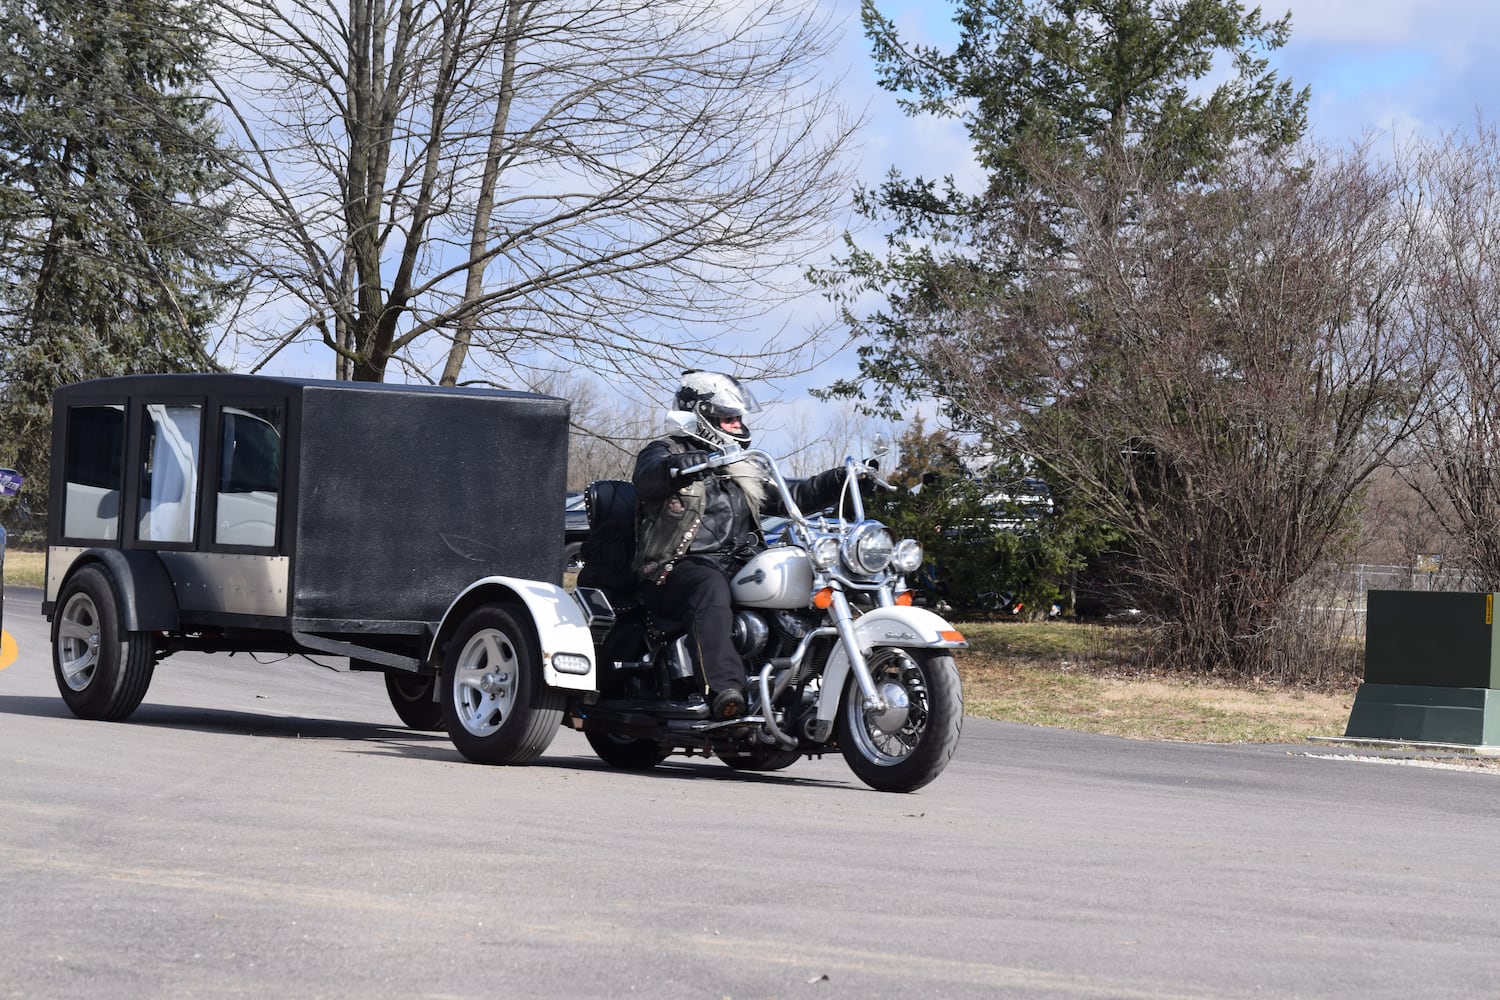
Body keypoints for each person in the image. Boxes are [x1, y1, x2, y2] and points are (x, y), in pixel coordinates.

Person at [632, 370, 846, 720]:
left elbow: (791, 496)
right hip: (677, 568)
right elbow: (648, 477)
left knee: (805, 580)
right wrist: (678, 466)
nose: (736, 424)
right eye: (728, 418)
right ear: (701, 416)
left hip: (739, 564)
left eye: (737, 418)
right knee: (708, 585)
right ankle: (726, 690)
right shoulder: (667, 451)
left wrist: (837, 480)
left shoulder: (742, 467)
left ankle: (801, 685)